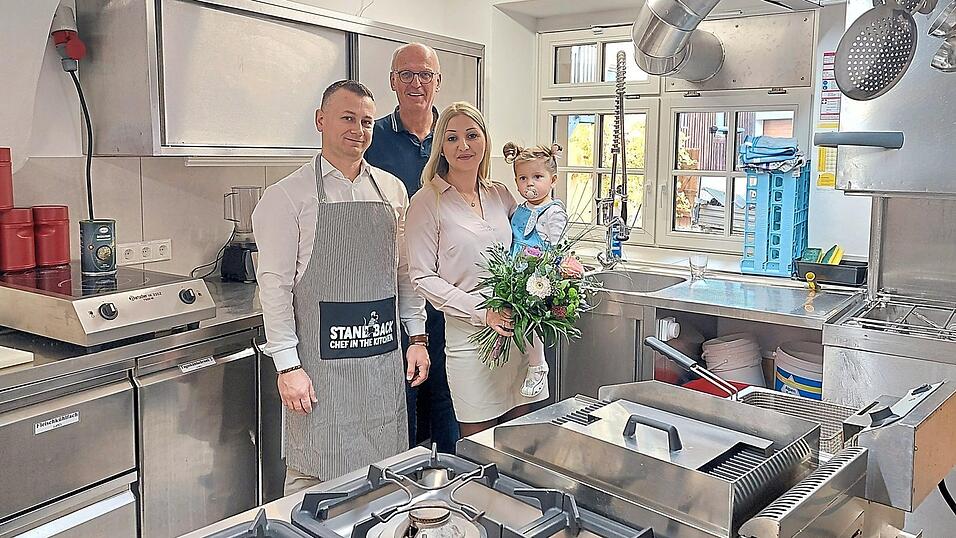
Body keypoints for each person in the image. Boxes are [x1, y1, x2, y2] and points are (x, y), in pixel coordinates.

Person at [253, 80, 430, 495]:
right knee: (314, 485)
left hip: (381, 365)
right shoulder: (286, 196)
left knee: (383, 482)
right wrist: (287, 367)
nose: (359, 129)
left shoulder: (392, 191)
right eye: (347, 118)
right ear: (321, 121)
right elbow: (274, 289)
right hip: (318, 373)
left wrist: (417, 336)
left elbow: (404, 273)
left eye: (367, 121)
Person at [405, 102, 550, 438]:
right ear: (441, 145)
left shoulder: (499, 193)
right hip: (470, 340)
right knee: (480, 444)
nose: (464, 146)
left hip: (517, 334)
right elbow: (422, 276)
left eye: (472, 135)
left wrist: (557, 264)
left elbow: (529, 241)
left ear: (485, 140)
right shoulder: (427, 202)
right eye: (453, 138)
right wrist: (482, 311)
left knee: (520, 438)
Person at [365, 43, 461, 453]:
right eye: (406, 74)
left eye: (425, 74)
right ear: (392, 82)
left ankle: (453, 485)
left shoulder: (454, 137)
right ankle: (399, 487)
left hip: (450, 291)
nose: (416, 83)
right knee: (398, 397)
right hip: (393, 291)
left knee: (449, 394)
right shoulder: (373, 138)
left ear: (438, 82)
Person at [502, 142, 569, 398]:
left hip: (536, 274)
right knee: (511, 316)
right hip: (513, 269)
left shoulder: (553, 212)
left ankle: (538, 364)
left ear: (553, 180)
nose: (529, 183)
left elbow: (555, 245)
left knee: (530, 320)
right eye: (523, 178)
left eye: (537, 177)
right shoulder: (519, 208)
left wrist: (548, 272)